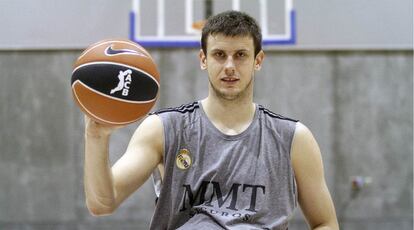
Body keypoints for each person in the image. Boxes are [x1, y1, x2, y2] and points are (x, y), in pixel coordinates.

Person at [83, 10, 339, 230]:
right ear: (203, 60)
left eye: (240, 55)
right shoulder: (164, 128)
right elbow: (103, 203)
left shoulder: (293, 138)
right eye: (219, 54)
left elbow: (326, 223)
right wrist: (96, 136)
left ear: (257, 61)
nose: (229, 66)